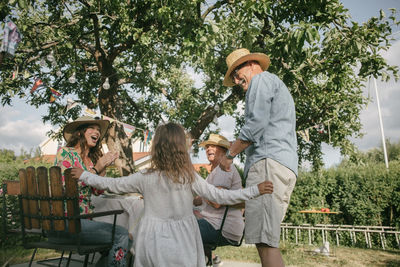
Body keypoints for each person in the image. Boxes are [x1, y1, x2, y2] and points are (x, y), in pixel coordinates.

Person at [70, 122, 274, 267]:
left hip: (152, 237)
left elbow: (111, 185)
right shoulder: (188, 176)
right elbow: (221, 197)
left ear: (156, 147)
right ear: (181, 148)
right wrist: (255, 190)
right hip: (184, 238)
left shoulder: (145, 176)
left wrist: (85, 176)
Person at [220, 48, 298, 267]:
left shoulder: (261, 80)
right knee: (266, 239)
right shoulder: (275, 84)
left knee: (265, 241)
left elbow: (255, 125)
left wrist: (229, 155)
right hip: (280, 163)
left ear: (252, 64)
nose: (236, 80)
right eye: (233, 77)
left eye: (237, 73)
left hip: (267, 163)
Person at [54, 116, 131, 267]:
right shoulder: (65, 153)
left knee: (128, 240)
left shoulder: (89, 161)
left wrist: (103, 167)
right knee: (122, 235)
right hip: (67, 222)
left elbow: (97, 191)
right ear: (79, 133)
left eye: (98, 130)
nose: (97, 132)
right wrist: (97, 168)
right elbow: (66, 189)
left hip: (83, 221)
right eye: (92, 128)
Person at [194, 134, 244, 266]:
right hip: (216, 224)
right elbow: (199, 199)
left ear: (223, 150)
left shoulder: (224, 170)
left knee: (179, 228)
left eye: (213, 146)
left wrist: (201, 194)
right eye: (207, 146)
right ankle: (209, 259)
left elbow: (216, 201)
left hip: (221, 227)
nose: (209, 148)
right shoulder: (215, 172)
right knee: (183, 221)